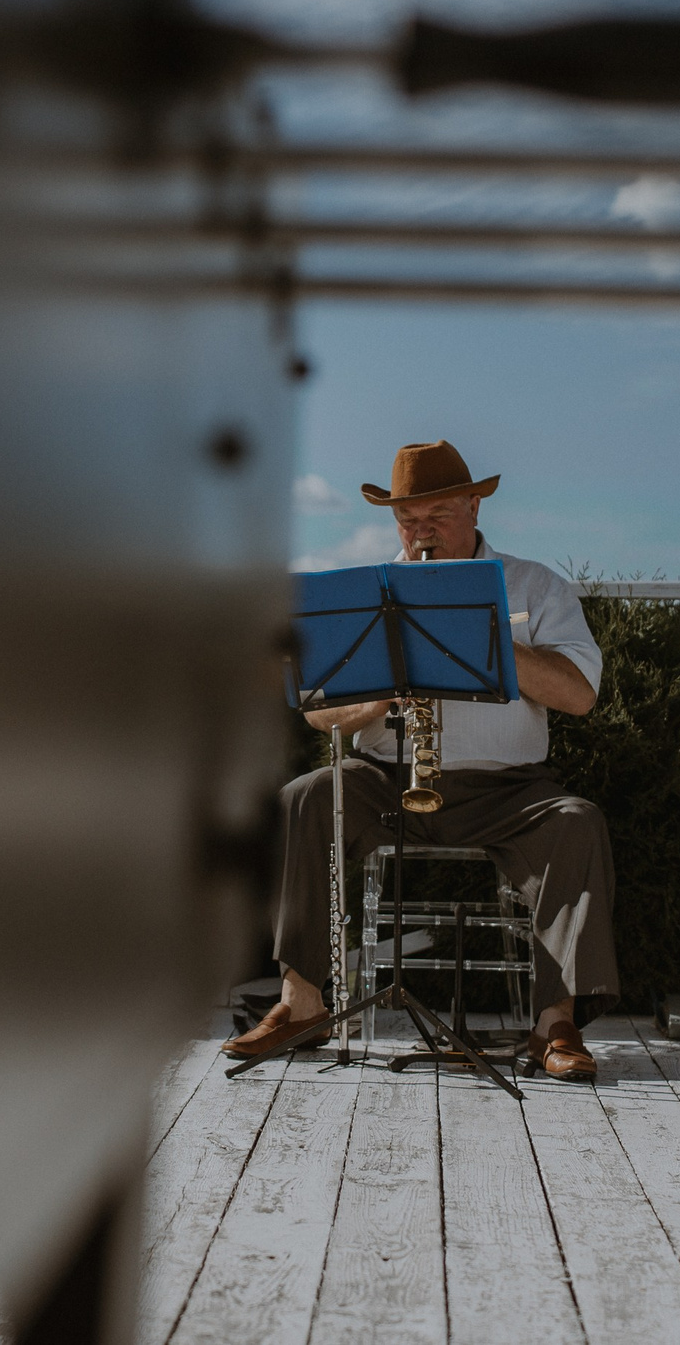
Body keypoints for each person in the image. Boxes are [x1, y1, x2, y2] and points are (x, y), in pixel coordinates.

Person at [224, 441, 618, 1081]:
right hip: (385, 780)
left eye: (436, 515)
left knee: (577, 819)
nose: (420, 532)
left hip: (508, 790)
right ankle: (301, 1003)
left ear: (473, 504)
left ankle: (555, 1023)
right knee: (305, 794)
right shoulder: (365, 592)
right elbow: (319, 714)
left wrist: (486, 639)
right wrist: (380, 686)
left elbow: (580, 695)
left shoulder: (534, 585)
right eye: (407, 520)